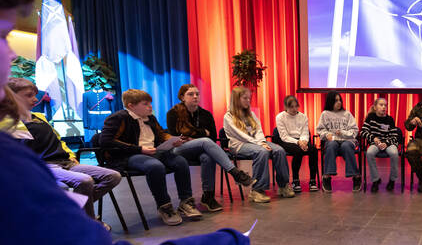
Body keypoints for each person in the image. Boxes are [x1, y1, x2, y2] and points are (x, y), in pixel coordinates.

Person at [0, 0, 280, 245]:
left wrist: (169, 142)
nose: (12, 52)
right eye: (3, 36)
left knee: (194, 152)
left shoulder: (153, 120)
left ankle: (192, 197)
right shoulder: (11, 162)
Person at [8, 77, 122, 228]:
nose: (35, 99)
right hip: (45, 166)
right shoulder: (9, 124)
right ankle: (90, 224)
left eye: (34, 94)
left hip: (65, 161)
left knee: (112, 176)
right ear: (12, 97)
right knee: (84, 181)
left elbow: (58, 139)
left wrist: (71, 155)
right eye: (29, 95)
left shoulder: (39, 117)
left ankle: (72, 211)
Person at [100, 89, 202, 226]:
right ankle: (164, 206)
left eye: (150, 103)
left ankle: (186, 202)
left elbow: (161, 134)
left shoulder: (151, 118)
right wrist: (139, 149)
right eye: (145, 104)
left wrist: (172, 140)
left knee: (180, 161)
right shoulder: (118, 118)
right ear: (131, 106)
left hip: (152, 152)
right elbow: (106, 141)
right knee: (155, 166)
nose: (150, 107)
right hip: (129, 156)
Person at [166, 84, 255, 212]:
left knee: (207, 157)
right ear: (182, 97)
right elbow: (177, 136)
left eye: (197, 94)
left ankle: (208, 196)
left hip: (201, 149)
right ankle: (235, 173)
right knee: (205, 142)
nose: (195, 97)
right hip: (179, 150)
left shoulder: (205, 114)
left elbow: (212, 137)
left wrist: (194, 138)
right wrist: (202, 133)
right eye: (191, 94)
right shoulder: (173, 114)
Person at [223, 86, 294, 203]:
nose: (248, 101)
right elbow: (241, 135)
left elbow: (259, 130)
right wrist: (260, 145)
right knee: (262, 152)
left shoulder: (251, 114)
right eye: (245, 98)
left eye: (249, 98)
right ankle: (257, 190)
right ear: (236, 99)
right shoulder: (228, 116)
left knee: (279, 150)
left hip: (257, 143)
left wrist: (261, 142)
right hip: (239, 145)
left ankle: (283, 186)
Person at [316, 90, 360, 192]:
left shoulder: (347, 114)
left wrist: (343, 133)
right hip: (333, 141)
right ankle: (327, 177)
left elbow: (355, 130)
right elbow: (319, 130)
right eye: (336, 100)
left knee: (346, 146)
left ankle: (356, 176)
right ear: (330, 102)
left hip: (347, 140)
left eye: (340, 100)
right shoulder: (325, 114)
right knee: (331, 145)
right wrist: (327, 134)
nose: (339, 102)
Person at [275, 95, 319, 193]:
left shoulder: (303, 117)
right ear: (286, 107)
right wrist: (298, 142)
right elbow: (284, 136)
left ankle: (312, 180)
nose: (294, 109)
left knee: (313, 150)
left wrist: (304, 141)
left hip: (301, 140)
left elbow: (305, 132)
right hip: (286, 141)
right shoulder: (280, 117)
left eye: (296, 106)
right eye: (291, 107)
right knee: (298, 151)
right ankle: (295, 180)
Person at [360, 97, 399, 192]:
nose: (384, 107)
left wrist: (386, 143)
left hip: (388, 143)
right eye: (381, 105)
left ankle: (392, 180)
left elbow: (394, 136)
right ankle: (376, 180)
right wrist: (373, 138)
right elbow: (363, 132)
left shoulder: (390, 119)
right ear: (375, 107)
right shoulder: (370, 117)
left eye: (385, 105)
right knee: (369, 153)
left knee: (394, 153)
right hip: (375, 143)